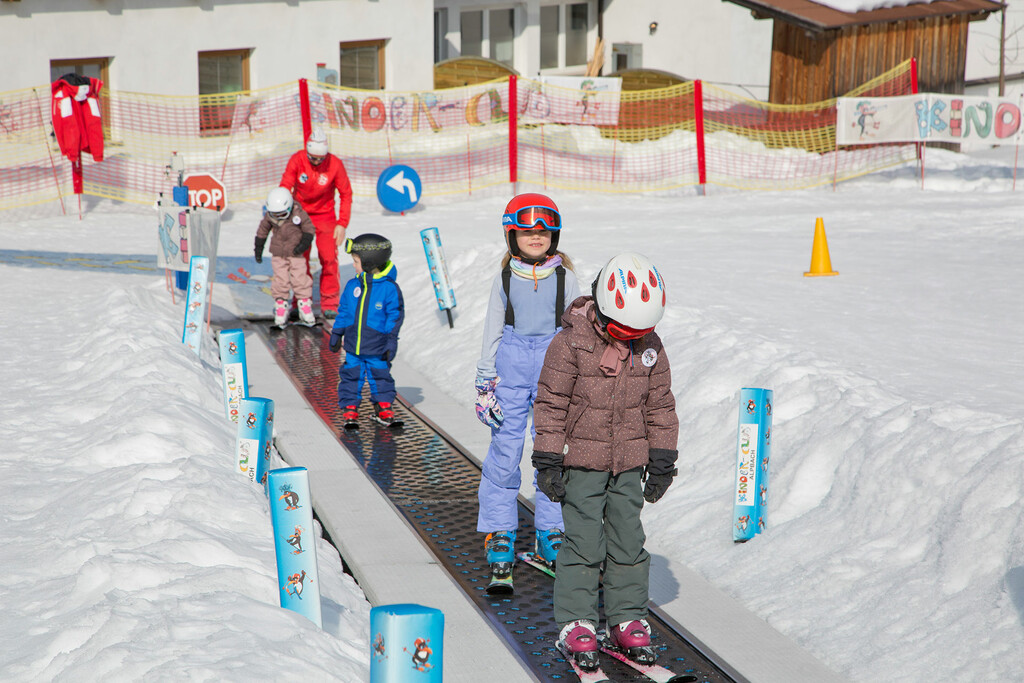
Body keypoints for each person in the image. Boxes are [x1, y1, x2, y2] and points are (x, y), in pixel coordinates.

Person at [530, 252, 678, 672]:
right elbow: (551, 402)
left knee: (629, 541)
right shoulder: (570, 342)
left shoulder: (649, 345)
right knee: (582, 543)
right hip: (581, 462)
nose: (633, 338)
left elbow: (661, 405)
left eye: (641, 331)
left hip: (630, 462)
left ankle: (627, 616)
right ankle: (577, 621)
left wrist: (663, 455)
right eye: (624, 330)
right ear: (602, 310)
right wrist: (547, 457)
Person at [474, 193, 581, 587]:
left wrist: (581, 376)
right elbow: (491, 329)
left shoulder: (565, 278)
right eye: (526, 233)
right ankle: (500, 530)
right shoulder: (504, 278)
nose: (535, 238)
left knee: (552, 450)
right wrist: (485, 380)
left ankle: (551, 531)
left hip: (555, 365)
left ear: (553, 235)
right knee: (505, 450)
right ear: (511, 235)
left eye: (543, 232)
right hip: (511, 366)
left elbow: (579, 330)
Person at [328, 233, 404, 428]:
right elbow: (344, 311)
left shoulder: (389, 289)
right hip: (353, 346)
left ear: (369, 262)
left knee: (381, 377)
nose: (353, 265)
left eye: (356, 261)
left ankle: (384, 405)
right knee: (351, 376)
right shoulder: (353, 285)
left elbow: (394, 317)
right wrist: (337, 332)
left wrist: (390, 342)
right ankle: (350, 408)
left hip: (377, 346)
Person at [280, 125, 353, 319]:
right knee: (298, 260)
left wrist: (342, 223)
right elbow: (286, 186)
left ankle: (330, 302)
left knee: (329, 258)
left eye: (321, 159)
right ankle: (300, 300)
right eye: (313, 158)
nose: (317, 162)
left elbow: (346, 193)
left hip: (325, 216)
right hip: (300, 215)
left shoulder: (335, 164)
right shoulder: (297, 160)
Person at [254, 187, 317, 327]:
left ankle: (305, 306)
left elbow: (309, 229)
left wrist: (303, 244)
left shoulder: (298, 213)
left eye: (282, 214)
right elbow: (262, 231)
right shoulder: (270, 217)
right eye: (274, 215)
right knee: (280, 280)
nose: (277, 218)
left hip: (296, 253)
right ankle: (281, 306)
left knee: (300, 279)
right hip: (278, 254)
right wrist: (258, 248)